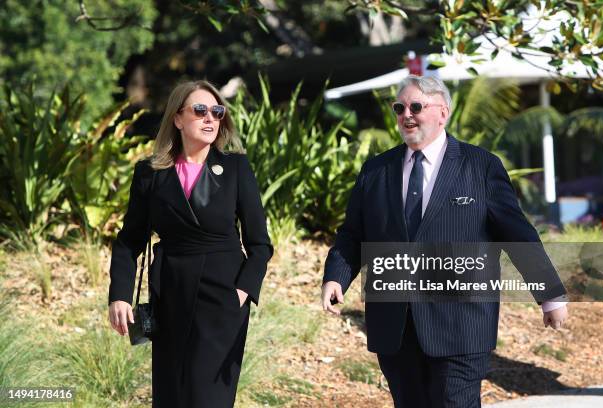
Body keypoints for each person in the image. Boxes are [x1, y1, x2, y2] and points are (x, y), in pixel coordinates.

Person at [321, 75, 568, 408]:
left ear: (443, 113)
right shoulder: (376, 171)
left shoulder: (481, 167)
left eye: (416, 106)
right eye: (399, 107)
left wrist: (549, 295)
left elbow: (517, 234)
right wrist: (336, 275)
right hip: (395, 328)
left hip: (461, 326)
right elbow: (353, 233)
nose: (406, 115)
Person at [107, 80, 273, 407]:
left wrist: (241, 293)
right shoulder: (150, 173)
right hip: (170, 295)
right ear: (178, 119)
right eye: (200, 110)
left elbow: (260, 244)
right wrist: (120, 295)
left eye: (217, 111)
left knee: (208, 397)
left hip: (222, 298)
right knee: (172, 394)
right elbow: (129, 241)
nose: (210, 118)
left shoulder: (237, 168)